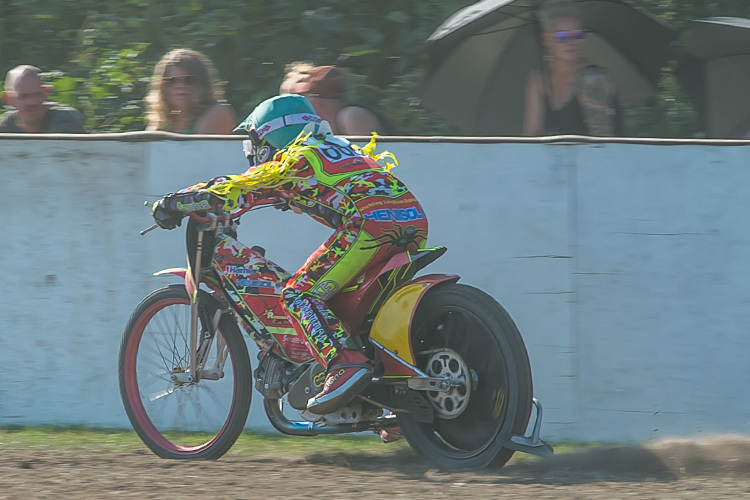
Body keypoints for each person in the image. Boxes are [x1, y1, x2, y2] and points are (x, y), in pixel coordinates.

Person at [151, 94, 427, 417]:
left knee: (297, 293)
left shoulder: (294, 158)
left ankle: (342, 364)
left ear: (270, 138)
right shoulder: (335, 148)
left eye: (253, 144)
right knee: (363, 315)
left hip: (368, 226)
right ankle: (397, 404)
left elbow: (235, 188)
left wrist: (174, 202)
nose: (252, 154)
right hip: (412, 220)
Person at [523, 0, 619, 136]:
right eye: (562, 37)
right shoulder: (538, 80)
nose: (571, 43)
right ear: (546, 39)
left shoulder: (593, 77)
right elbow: (531, 135)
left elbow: (601, 141)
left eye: (577, 35)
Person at [280, 62, 393, 135]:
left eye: (303, 95)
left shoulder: (351, 116)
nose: (298, 103)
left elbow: (372, 164)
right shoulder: (302, 129)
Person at [144, 48, 236, 134]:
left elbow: (200, 150)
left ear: (202, 84)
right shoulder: (161, 124)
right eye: (172, 81)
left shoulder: (217, 113)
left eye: (189, 81)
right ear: (163, 86)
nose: (180, 86)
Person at [0, 65, 86, 133]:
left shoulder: (66, 121)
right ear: (9, 99)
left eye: (38, 94)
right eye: (24, 96)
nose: (32, 102)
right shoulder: (5, 127)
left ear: (47, 93)